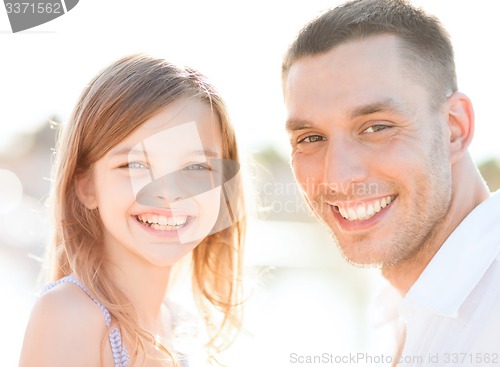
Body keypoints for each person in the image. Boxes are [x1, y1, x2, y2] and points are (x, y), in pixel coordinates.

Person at [282, 0, 500, 364]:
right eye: (311, 138)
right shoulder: (394, 310)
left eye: (377, 127)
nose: (337, 177)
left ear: (454, 128)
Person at [19, 54, 245, 367]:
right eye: (136, 165)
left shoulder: (181, 325)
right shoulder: (69, 315)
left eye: (195, 167)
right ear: (86, 186)